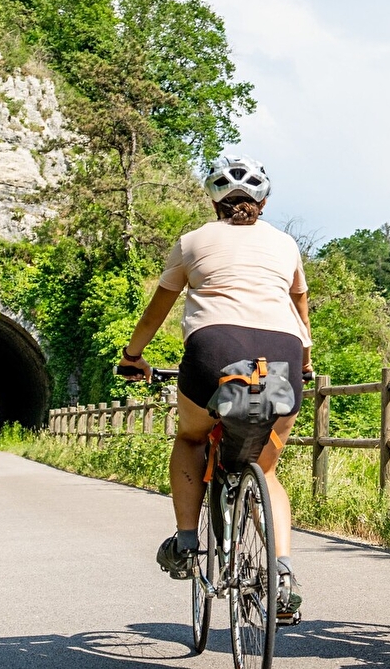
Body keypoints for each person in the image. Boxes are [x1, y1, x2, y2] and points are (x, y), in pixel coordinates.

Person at [118, 154, 310, 620]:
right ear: (263, 201)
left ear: (213, 201)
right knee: (265, 470)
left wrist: (132, 357)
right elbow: (299, 303)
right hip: (281, 356)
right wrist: (304, 361)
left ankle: (186, 541)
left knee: (190, 436)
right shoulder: (285, 245)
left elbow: (157, 310)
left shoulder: (191, 242)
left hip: (212, 353)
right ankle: (281, 573)